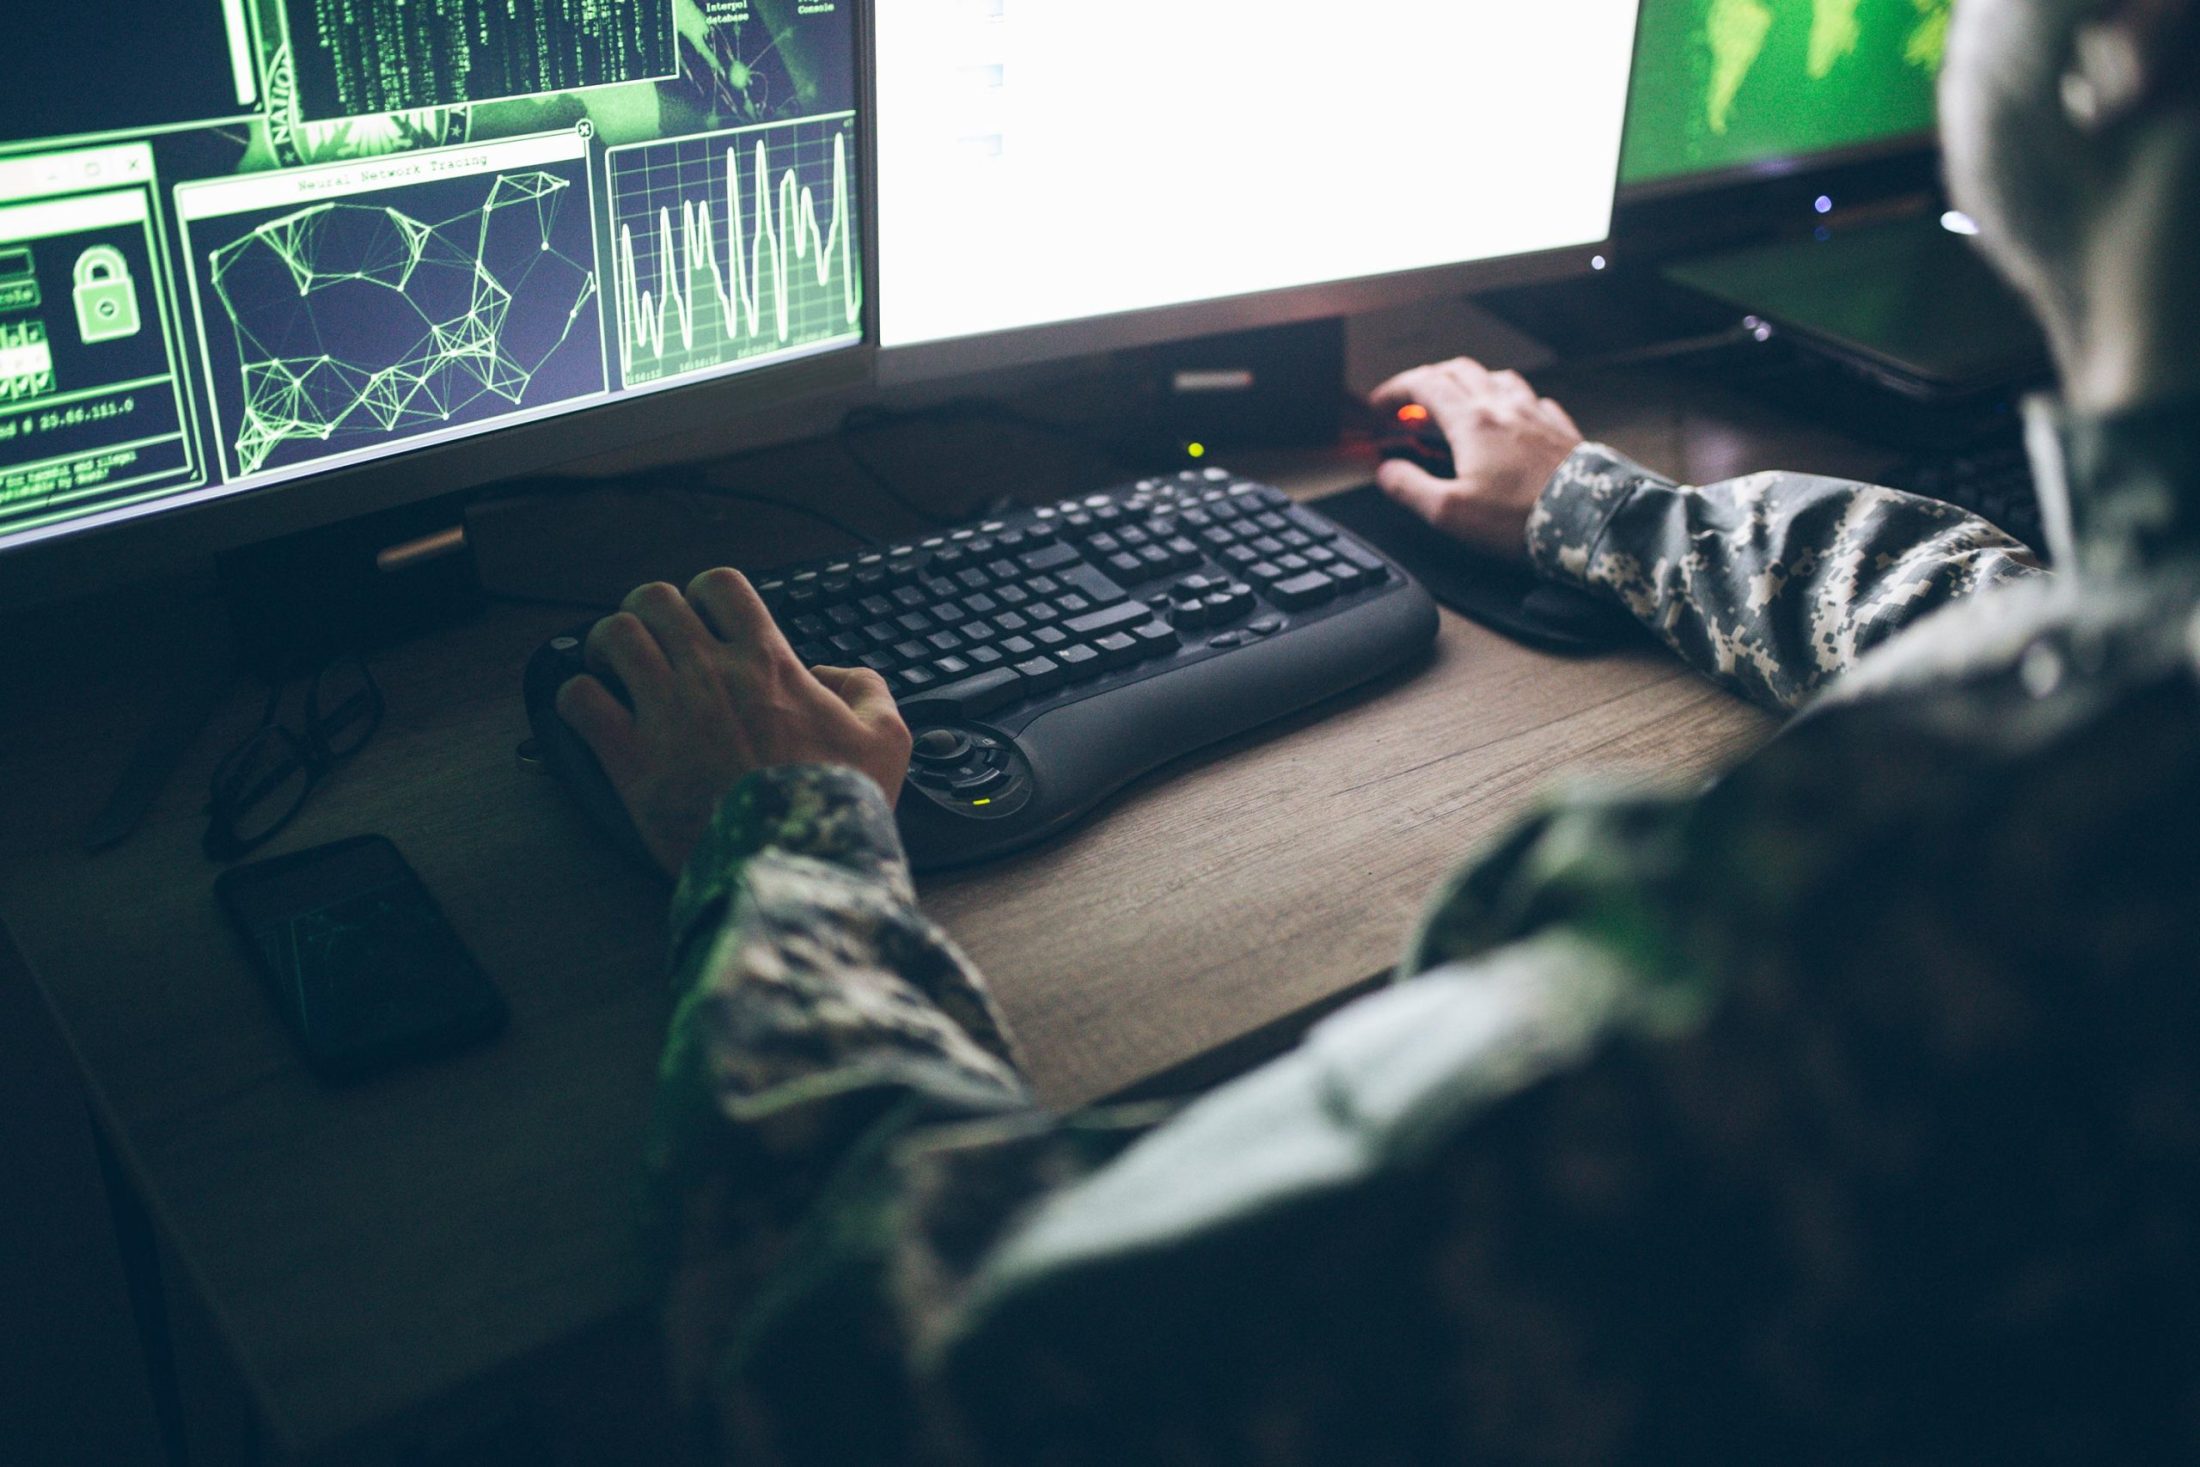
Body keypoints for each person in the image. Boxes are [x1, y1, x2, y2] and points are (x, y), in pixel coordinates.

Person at [555, 0, 2200, 1457]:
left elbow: (877, 1373)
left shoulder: (1900, 935)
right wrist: (1603, 511)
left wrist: (779, 834)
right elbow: (2037, 620)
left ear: (2115, 54)